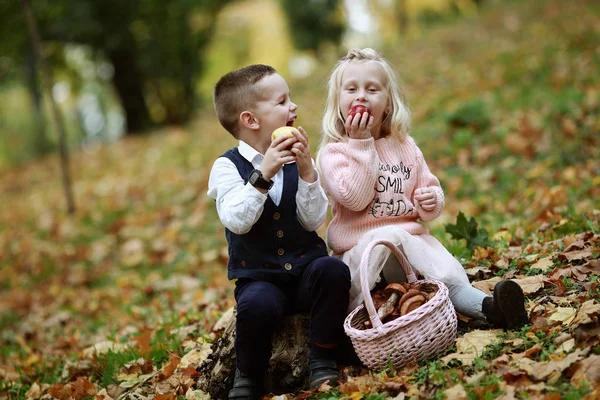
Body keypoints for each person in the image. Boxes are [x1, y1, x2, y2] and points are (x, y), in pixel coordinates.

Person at [316, 48, 529, 331]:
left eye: (372, 89)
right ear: (337, 102)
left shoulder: (405, 146)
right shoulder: (335, 154)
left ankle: (491, 309)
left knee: (444, 281)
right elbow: (355, 199)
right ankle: (419, 314)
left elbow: (428, 192)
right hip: (366, 258)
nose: (361, 96)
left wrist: (431, 200)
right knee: (389, 237)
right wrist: (361, 143)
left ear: (388, 104)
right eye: (351, 89)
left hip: (413, 248)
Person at [207, 64, 351, 400]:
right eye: (283, 101)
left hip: (305, 270)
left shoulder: (296, 158)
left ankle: (322, 355)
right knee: (256, 307)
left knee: (332, 271)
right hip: (259, 277)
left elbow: (313, 219)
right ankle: (249, 375)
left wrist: (307, 171)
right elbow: (236, 219)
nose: (294, 108)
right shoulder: (227, 167)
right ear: (251, 120)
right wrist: (264, 172)